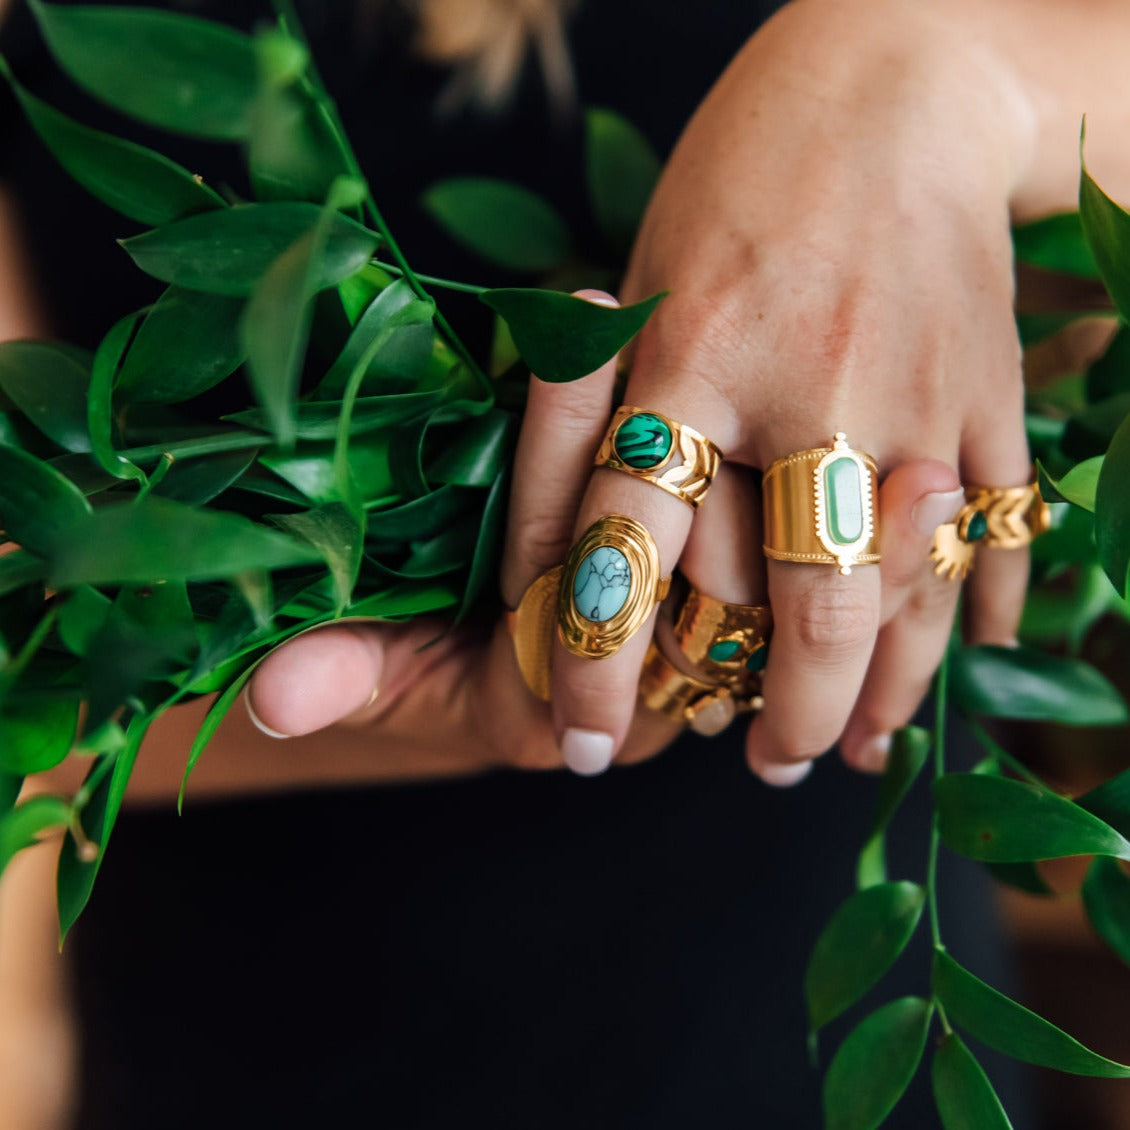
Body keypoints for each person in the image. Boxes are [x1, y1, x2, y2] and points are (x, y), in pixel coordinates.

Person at [2, 0, 1127, 1125]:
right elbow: (30, 632)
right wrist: (357, 695)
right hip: (266, 1024)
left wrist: (941, 73)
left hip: (809, 1005)